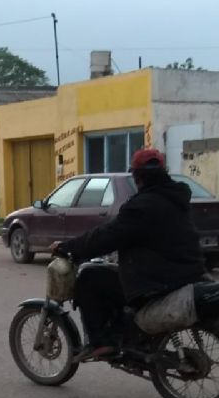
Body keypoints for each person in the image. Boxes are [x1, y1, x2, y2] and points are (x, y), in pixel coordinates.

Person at [50, 148, 206, 361]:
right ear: (164, 172)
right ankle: (130, 334)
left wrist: (69, 247)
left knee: (89, 277)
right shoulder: (177, 199)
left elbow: (106, 236)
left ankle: (101, 342)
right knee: (113, 277)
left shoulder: (142, 206)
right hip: (188, 272)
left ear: (137, 176)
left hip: (158, 280)